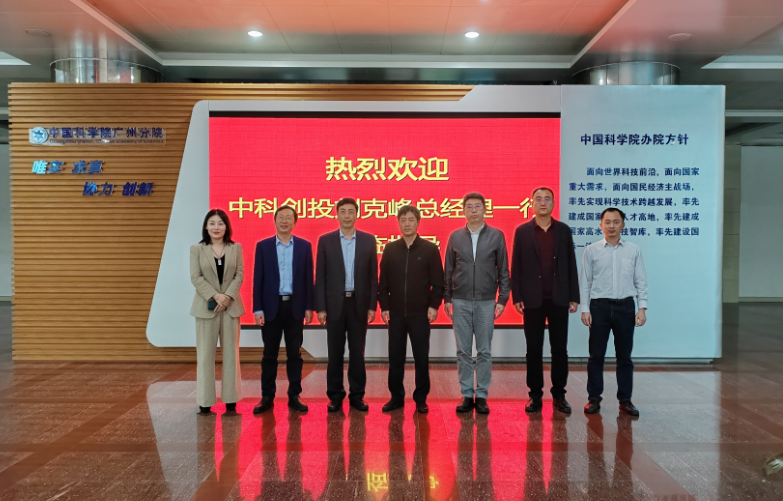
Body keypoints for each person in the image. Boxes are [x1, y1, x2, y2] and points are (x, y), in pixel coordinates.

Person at [511, 187, 580, 414]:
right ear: (531, 203)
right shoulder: (522, 231)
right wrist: (517, 296)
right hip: (532, 300)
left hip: (559, 298)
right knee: (533, 350)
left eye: (547, 199)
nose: (543, 202)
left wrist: (574, 296)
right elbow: (516, 265)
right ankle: (535, 395)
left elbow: (571, 264)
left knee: (560, 349)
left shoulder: (563, 230)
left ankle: (559, 395)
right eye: (538, 199)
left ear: (553, 203)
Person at [444, 192, 511, 414]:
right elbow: (448, 270)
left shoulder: (496, 236)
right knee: (463, 351)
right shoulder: (455, 237)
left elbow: (503, 269)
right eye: (469, 207)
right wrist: (447, 298)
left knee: (484, 351)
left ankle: (481, 395)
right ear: (464, 211)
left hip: (486, 302)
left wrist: (502, 299)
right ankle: (466, 394)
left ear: (485, 209)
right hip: (460, 300)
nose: (473, 210)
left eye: (477, 206)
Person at [580, 207, 648, 417]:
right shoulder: (591, 250)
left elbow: (640, 280)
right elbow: (585, 282)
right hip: (598, 308)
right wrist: (585, 308)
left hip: (625, 307)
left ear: (623, 225)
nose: (611, 226)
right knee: (596, 356)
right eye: (607, 222)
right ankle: (593, 399)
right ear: (601, 225)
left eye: (616, 222)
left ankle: (625, 400)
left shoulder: (633, 250)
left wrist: (642, 307)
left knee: (624, 357)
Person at [378, 205, 444, 414]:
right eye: (403, 220)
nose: (407, 224)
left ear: (418, 222)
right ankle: (396, 397)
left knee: (421, 357)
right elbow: (383, 283)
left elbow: (438, 283)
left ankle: (421, 398)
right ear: (398, 223)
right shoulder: (390, 249)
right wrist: (385, 307)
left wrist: (433, 306)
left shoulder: (430, 249)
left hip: (420, 314)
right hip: (396, 314)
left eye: (411, 220)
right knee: (395, 357)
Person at [315, 198, 379, 412]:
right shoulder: (326, 240)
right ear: (337, 214)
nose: (347, 215)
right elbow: (320, 277)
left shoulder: (368, 240)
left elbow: (373, 276)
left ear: (357, 214)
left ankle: (357, 396)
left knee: (357, 353)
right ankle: (335, 396)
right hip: (334, 305)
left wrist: (372, 306)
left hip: (359, 304)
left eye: (351, 211)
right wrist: (320, 307)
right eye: (343, 211)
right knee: (334, 353)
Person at [252, 205, 314, 414]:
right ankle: (267, 396)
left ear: (295, 222)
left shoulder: (304, 246)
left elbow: (308, 279)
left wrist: (309, 306)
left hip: (295, 307)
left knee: (294, 354)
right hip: (271, 308)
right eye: (281, 217)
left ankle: (294, 395)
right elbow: (258, 279)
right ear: (275, 220)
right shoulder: (263, 246)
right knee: (269, 354)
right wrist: (257, 308)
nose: (284, 221)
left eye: (289, 217)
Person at [189, 209, 244, 415]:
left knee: (231, 355)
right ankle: (205, 401)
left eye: (220, 223)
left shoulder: (236, 248)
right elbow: (196, 277)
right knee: (205, 355)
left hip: (231, 307)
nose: (216, 227)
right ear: (206, 226)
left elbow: (239, 275)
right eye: (212, 223)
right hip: (206, 307)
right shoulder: (197, 249)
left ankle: (231, 399)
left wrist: (227, 296)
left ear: (226, 227)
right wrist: (215, 296)